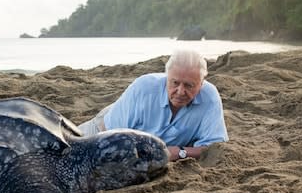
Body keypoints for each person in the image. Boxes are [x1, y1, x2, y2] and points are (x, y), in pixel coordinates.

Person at [78, 49, 228, 161]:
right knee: (67, 147)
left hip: (148, 144)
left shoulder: (209, 97)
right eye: (175, 83)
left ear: (201, 83)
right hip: (104, 126)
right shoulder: (144, 88)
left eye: (189, 85)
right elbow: (111, 137)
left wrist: (179, 152)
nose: (180, 91)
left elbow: (215, 148)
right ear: (166, 77)